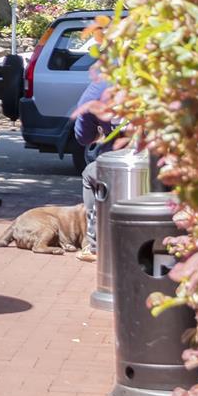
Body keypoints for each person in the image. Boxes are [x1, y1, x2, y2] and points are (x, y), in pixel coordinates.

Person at [71, 68, 117, 262]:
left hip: (120, 163)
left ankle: (95, 244)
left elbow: (83, 136)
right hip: (166, 160)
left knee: (90, 174)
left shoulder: (101, 85)